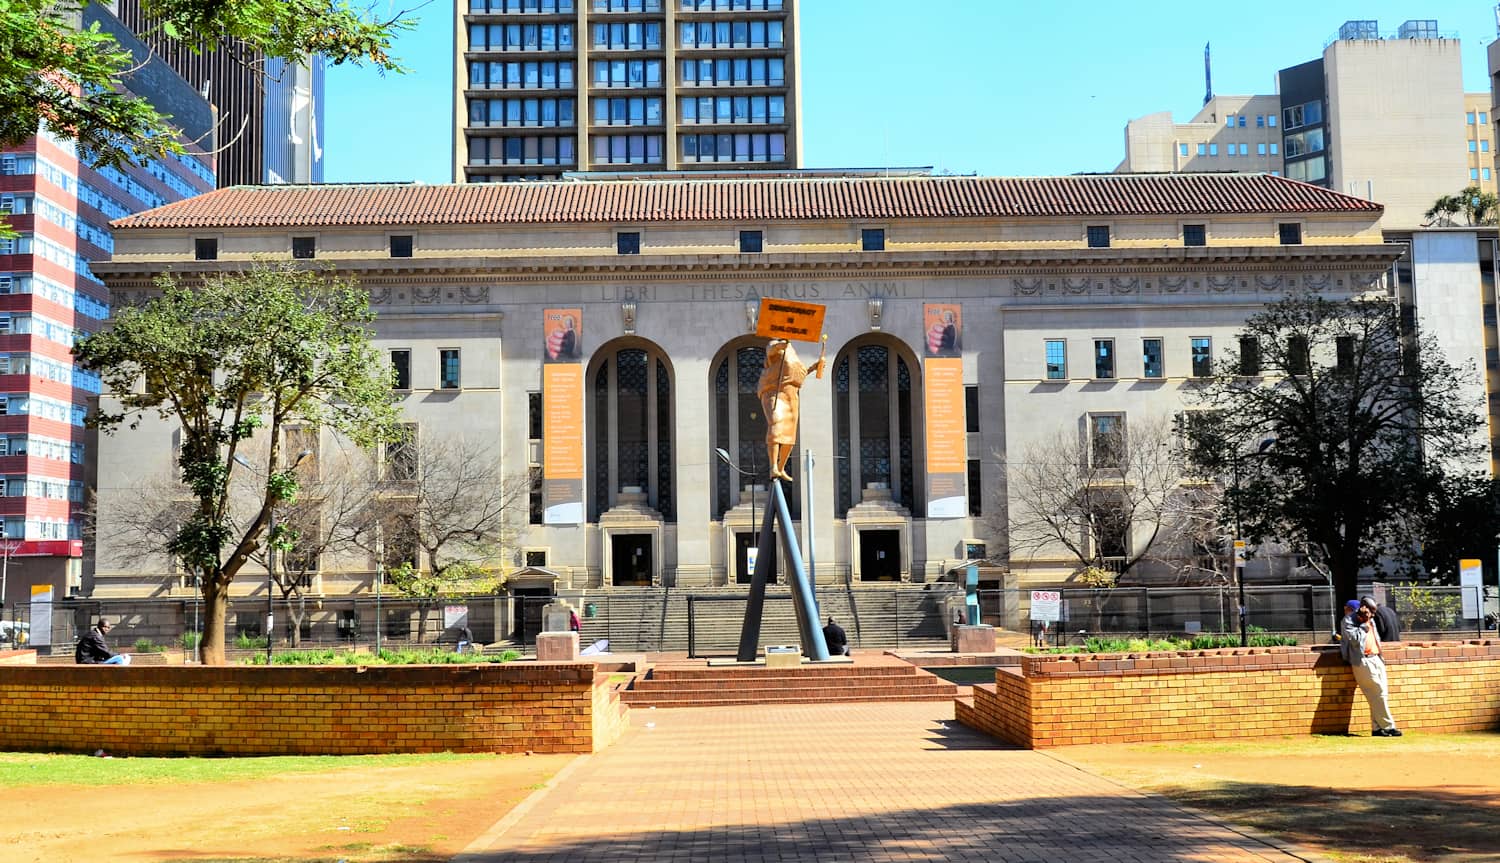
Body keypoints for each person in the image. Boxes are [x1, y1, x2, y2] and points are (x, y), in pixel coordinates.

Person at [758, 339, 825, 482]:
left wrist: (814, 367)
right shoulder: (777, 344)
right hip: (775, 392)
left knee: (789, 435)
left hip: (791, 394)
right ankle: (773, 466)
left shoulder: (792, 352)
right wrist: (780, 345)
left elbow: (794, 373)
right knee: (776, 423)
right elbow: (771, 351)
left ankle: (781, 468)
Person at [1340, 599, 1400, 737]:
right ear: (1363, 608)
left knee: (1381, 695)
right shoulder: (1348, 621)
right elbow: (1354, 640)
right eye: (1371, 611)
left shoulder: (1371, 620)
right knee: (1377, 693)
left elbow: (1376, 638)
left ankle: (1377, 728)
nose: (1373, 615)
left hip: (1377, 658)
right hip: (1363, 661)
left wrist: (1380, 656)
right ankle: (1388, 726)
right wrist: (1363, 624)